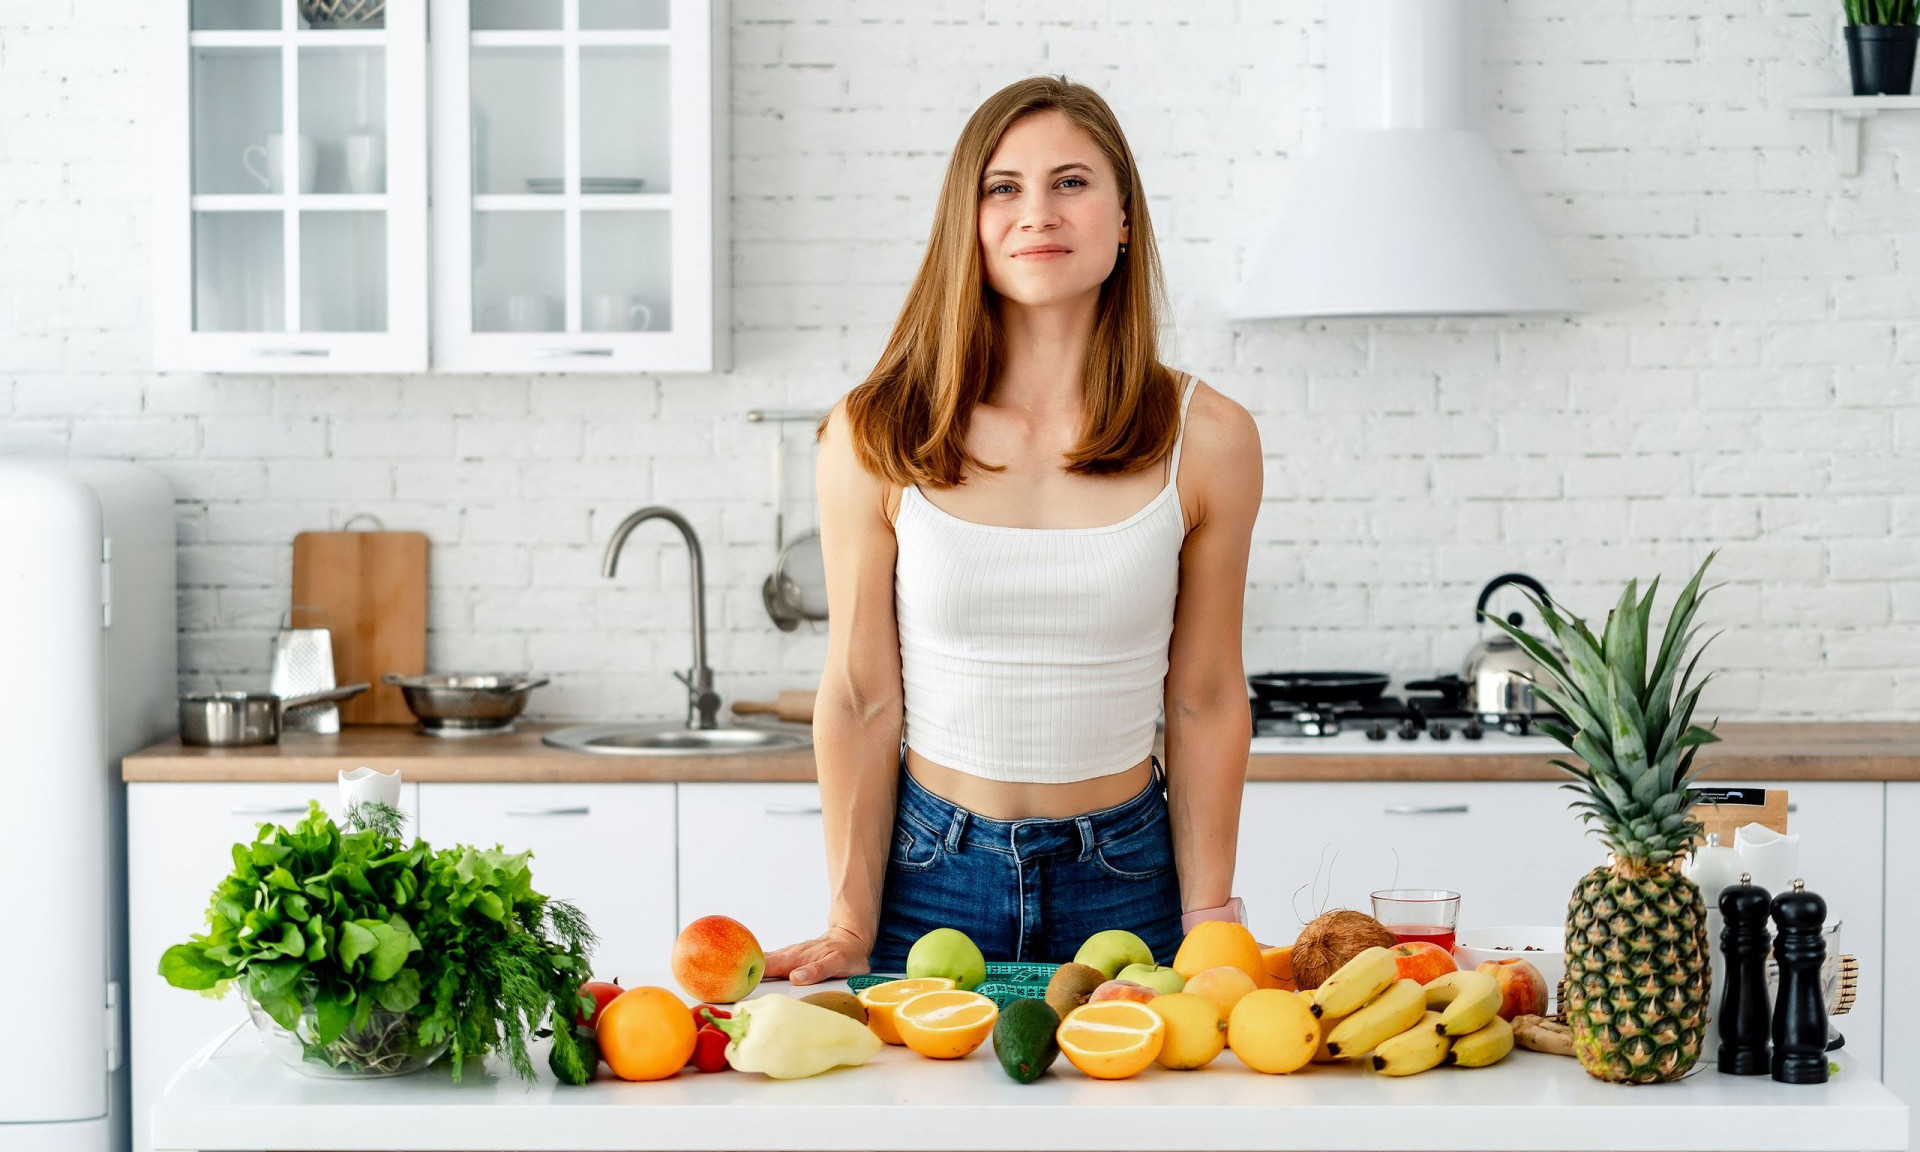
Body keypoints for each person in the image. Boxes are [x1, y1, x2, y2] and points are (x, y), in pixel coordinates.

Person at [764, 75, 1262, 986]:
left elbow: (1205, 699)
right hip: (928, 879)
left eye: (1071, 182)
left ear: (1123, 219)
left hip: (1131, 879)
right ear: (971, 221)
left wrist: (1209, 918)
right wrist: (847, 919)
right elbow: (861, 695)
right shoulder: (874, 432)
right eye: (1004, 187)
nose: (1038, 211)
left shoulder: (1210, 438)